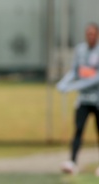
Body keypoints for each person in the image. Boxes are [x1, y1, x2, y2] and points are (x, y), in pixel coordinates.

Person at [57, 23, 99, 175]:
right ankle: (72, 162)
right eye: (88, 33)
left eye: (93, 33)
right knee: (78, 129)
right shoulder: (80, 50)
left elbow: (96, 78)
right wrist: (64, 83)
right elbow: (75, 71)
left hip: (98, 99)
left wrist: (74, 86)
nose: (90, 36)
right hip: (83, 99)